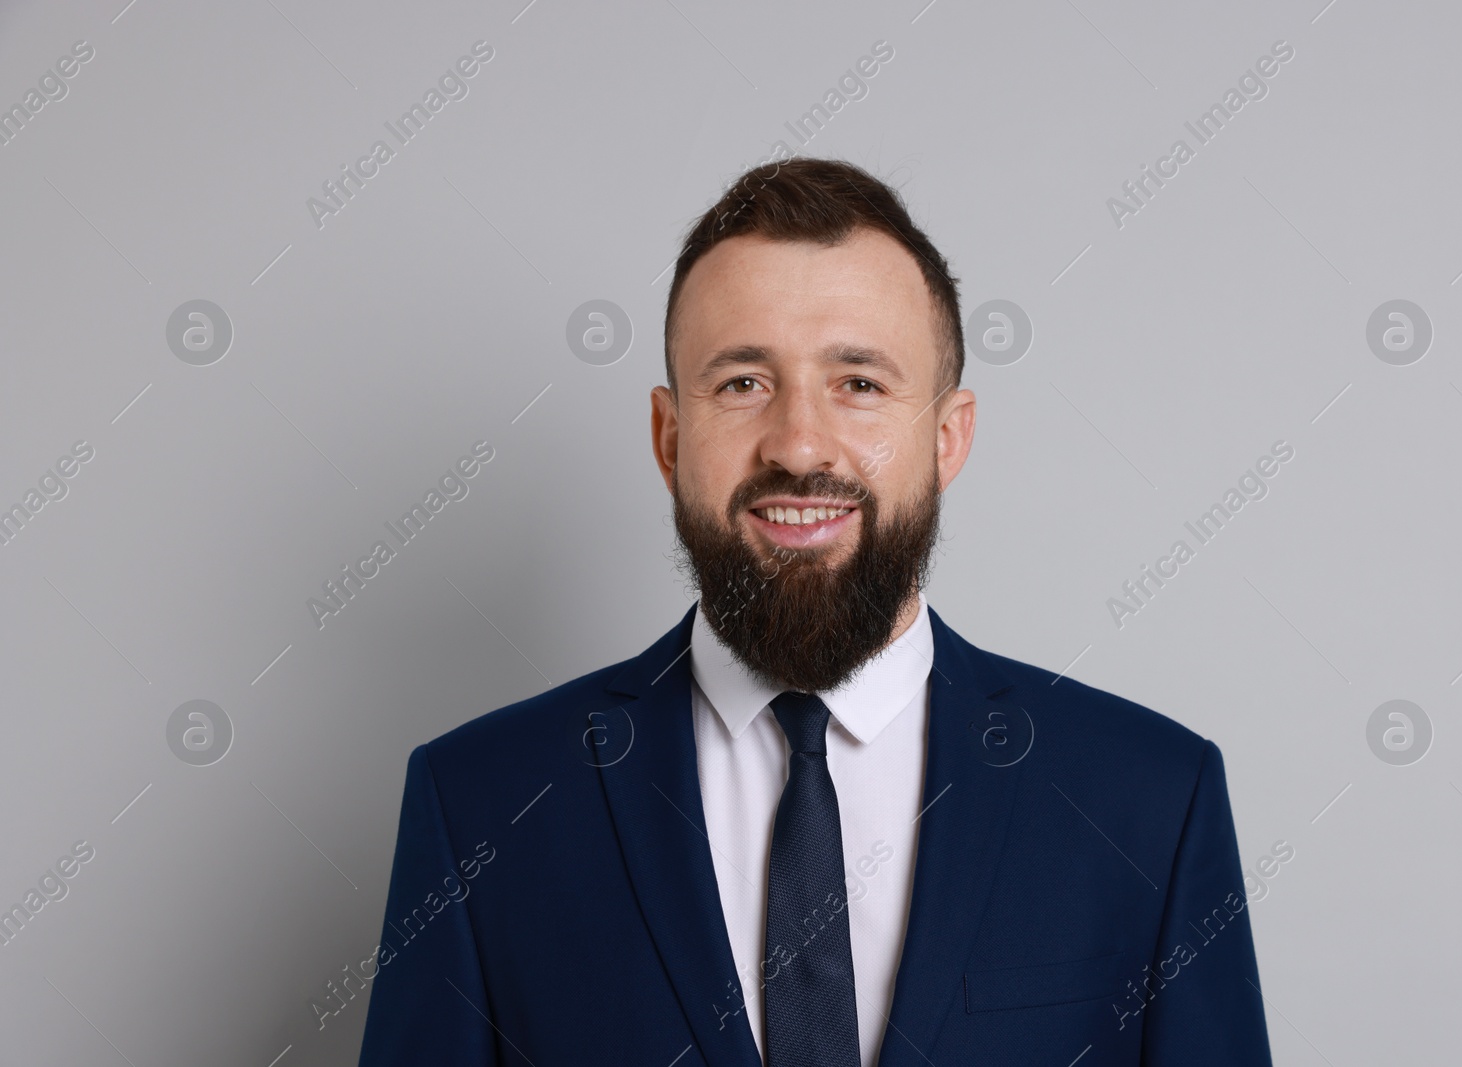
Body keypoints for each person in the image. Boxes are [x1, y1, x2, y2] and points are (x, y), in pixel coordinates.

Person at [357, 157, 1274, 1066]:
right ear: (669, 438)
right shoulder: (480, 804)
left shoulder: (1150, 803)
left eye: (860, 383)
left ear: (948, 437)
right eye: (744, 383)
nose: (799, 444)